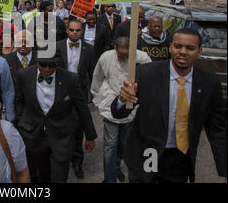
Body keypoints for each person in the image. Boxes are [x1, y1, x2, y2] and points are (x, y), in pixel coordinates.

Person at [112, 28, 227, 183]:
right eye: (178, 46)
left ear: (199, 51)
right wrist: (122, 100)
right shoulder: (146, 74)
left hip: (180, 158)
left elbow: (217, 130)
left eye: (190, 48)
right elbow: (119, 113)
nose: (183, 52)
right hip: (149, 152)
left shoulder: (209, 84)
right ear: (170, 47)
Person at [14, 51, 97, 183]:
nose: (47, 69)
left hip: (61, 136)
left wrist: (90, 136)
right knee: (40, 176)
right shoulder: (23, 75)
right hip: (34, 135)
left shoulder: (71, 79)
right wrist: (23, 120)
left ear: (57, 64)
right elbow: (19, 100)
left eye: (52, 66)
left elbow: (82, 109)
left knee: (60, 177)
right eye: (43, 65)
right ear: (37, 63)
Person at [91, 37, 151, 183]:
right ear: (115, 49)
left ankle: (117, 165)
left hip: (132, 107)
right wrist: (95, 97)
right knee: (110, 146)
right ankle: (109, 178)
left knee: (125, 143)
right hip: (111, 103)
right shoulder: (106, 57)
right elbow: (97, 77)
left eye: (127, 56)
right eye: (121, 55)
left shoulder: (143, 59)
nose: (124, 58)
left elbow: (151, 80)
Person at [56, 19, 96, 179]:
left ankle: (77, 160)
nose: (74, 33)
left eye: (77, 30)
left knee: (79, 127)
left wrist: (93, 96)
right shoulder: (58, 46)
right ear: (67, 30)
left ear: (82, 31)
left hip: (80, 92)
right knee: (61, 125)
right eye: (71, 30)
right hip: (61, 92)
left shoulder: (89, 49)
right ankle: (61, 156)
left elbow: (93, 73)